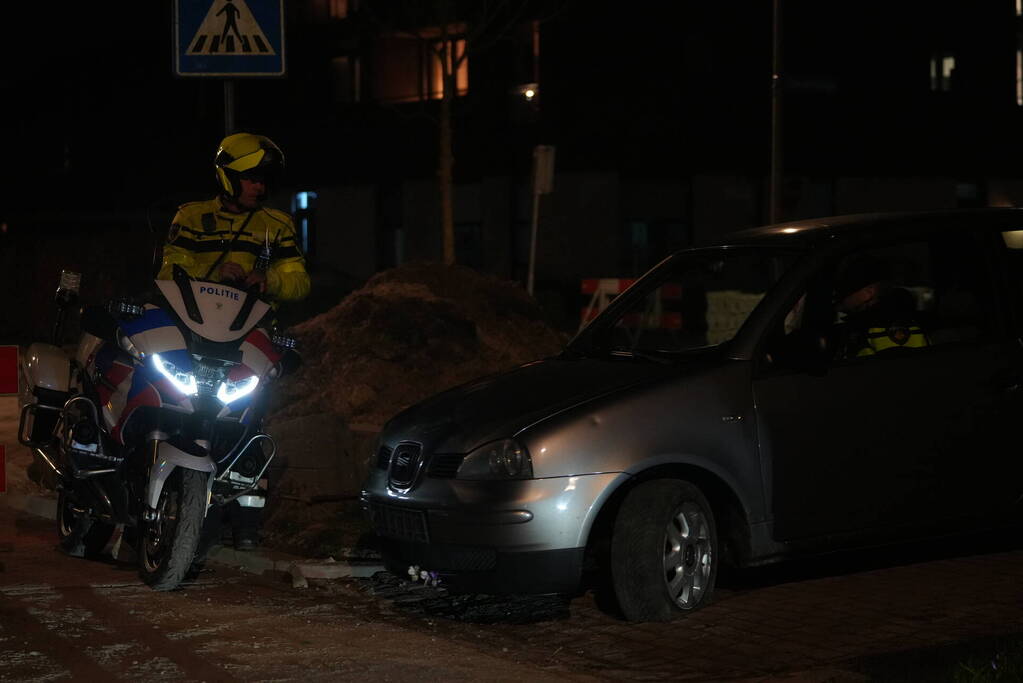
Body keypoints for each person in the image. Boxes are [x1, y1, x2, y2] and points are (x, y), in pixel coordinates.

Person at [159, 133, 310, 551]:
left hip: (250, 336)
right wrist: (211, 275)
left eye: (264, 180)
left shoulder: (276, 225)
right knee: (171, 403)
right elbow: (169, 269)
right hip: (194, 331)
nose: (259, 187)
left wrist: (271, 279)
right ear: (227, 177)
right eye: (251, 178)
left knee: (251, 419)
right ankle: (161, 495)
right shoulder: (190, 217)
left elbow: (300, 280)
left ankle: (246, 522)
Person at [832, 256, 929, 358]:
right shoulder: (865, 324)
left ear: (868, 292)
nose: (839, 297)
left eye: (845, 290)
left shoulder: (886, 327)